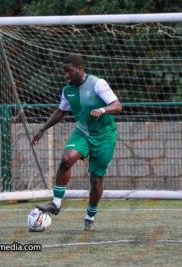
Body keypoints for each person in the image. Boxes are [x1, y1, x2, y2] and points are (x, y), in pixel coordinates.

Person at [33, 54, 122, 231]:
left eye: (70, 71)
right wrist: (42, 129)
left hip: (105, 136)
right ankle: (56, 204)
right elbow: (60, 112)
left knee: (96, 180)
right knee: (66, 159)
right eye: (64, 71)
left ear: (80, 68)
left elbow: (117, 106)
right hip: (83, 131)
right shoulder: (68, 90)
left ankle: (90, 217)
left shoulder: (97, 84)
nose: (66, 75)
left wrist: (102, 110)